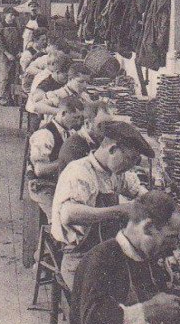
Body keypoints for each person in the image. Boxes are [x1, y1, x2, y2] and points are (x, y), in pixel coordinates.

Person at [70, 191, 180, 324]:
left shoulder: (146, 256)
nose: (174, 246)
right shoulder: (102, 259)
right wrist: (149, 310)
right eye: (170, 237)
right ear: (148, 227)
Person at [51, 120, 153, 289]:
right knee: (102, 306)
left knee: (141, 286)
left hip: (104, 252)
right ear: (112, 149)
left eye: (135, 162)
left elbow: (138, 192)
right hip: (79, 257)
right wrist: (119, 211)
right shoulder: (80, 171)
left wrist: (154, 202)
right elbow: (69, 214)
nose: (130, 166)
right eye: (129, 159)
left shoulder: (115, 172)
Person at [26, 96, 84, 217]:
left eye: (80, 118)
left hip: (59, 181)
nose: (78, 122)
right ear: (63, 113)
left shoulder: (69, 131)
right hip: (43, 185)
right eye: (75, 118)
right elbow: (39, 170)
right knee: (62, 218)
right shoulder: (45, 135)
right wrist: (67, 161)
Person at [58, 99, 114, 173]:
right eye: (103, 125)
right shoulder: (73, 147)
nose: (108, 131)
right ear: (87, 124)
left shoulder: (96, 140)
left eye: (111, 125)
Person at [24, 53, 70, 131]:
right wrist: (52, 96)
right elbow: (36, 97)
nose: (67, 80)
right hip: (35, 110)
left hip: (43, 107)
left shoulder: (53, 76)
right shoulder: (44, 77)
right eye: (66, 76)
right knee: (37, 131)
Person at [0, 7, 22, 106]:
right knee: (5, 77)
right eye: (11, 15)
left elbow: (20, 39)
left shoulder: (16, 25)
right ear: (5, 15)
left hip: (15, 55)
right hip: (4, 56)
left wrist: (19, 51)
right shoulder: (1, 26)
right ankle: (3, 98)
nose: (13, 17)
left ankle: (11, 97)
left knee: (13, 77)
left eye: (14, 15)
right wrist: (7, 54)